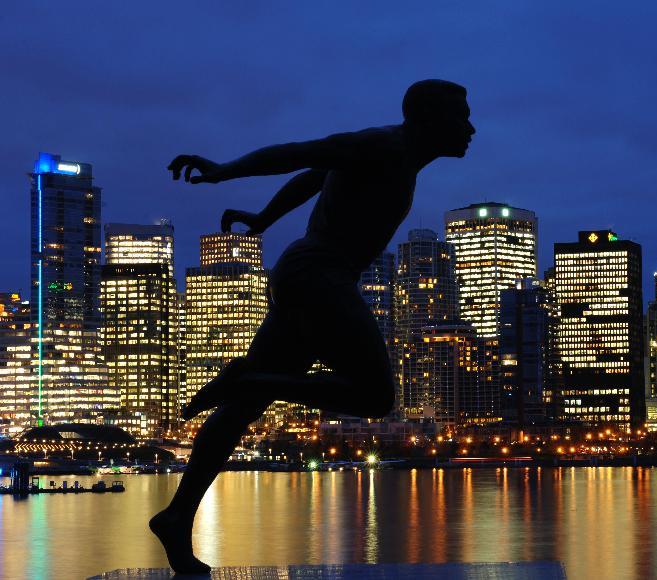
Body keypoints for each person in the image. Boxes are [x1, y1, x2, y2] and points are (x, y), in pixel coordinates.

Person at [149, 80, 475, 574]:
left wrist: (262, 218)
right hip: (318, 277)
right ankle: (248, 377)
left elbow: (313, 176)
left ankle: (177, 515)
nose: (470, 128)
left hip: (308, 275)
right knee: (374, 396)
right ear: (428, 120)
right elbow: (298, 153)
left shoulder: (399, 159)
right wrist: (222, 173)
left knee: (241, 411)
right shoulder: (383, 145)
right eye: (461, 116)